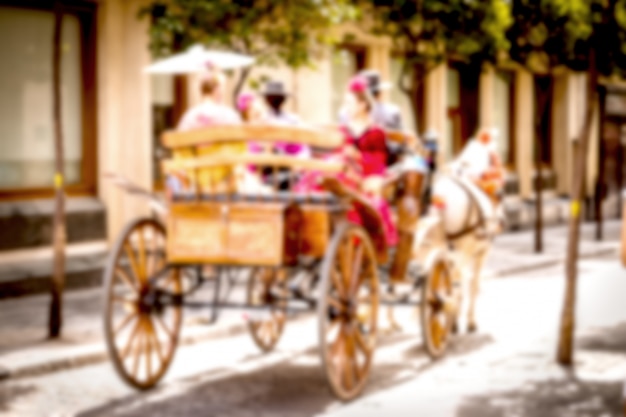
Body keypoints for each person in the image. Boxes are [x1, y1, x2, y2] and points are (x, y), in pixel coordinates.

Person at [167, 65, 245, 198]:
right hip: (223, 179)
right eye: (222, 89)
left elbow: (179, 150)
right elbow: (241, 148)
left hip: (198, 179)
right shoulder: (229, 115)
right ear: (216, 89)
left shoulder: (189, 116)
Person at [451, 127, 505, 234]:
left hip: (482, 179)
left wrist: (486, 174)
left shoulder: (490, 151)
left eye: (486, 137)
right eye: (483, 137)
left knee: (496, 192)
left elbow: (498, 169)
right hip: (469, 178)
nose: (484, 139)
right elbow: (463, 163)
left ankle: (495, 219)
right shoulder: (473, 147)